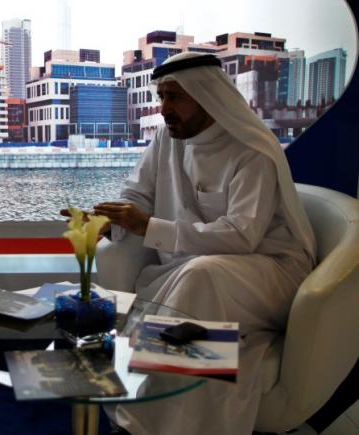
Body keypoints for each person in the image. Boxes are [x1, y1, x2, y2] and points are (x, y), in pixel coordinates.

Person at [91, 52, 316, 435]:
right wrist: (113, 221)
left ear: (207, 96)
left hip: (269, 270)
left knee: (201, 275)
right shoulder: (167, 138)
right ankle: (163, 412)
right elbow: (139, 193)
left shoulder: (251, 150)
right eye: (161, 97)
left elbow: (242, 235)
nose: (163, 109)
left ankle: (144, 425)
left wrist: (149, 226)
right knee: (198, 275)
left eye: (175, 97)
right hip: (194, 267)